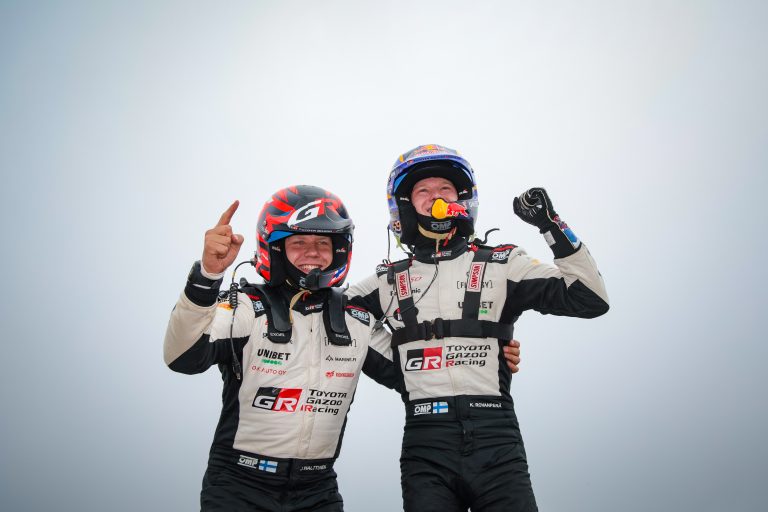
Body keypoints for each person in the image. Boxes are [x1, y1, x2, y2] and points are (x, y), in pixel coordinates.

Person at [163, 184, 523, 511]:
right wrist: (207, 277)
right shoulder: (246, 307)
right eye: (299, 242)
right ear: (275, 247)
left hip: (317, 491)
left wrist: (489, 352)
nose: (313, 253)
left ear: (339, 250)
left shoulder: (356, 319)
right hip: (238, 486)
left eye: (324, 243)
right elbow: (183, 357)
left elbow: (420, 377)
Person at [348, 144, 610, 512]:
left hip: (496, 438)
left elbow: (589, 298)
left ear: (463, 200)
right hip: (425, 442)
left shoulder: (503, 262)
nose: (436, 197)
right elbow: (333, 318)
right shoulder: (386, 280)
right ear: (404, 205)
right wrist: (401, 367)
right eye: (423, 190)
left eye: (446, 189)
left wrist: (551, 225)